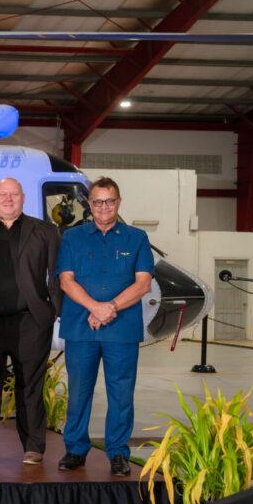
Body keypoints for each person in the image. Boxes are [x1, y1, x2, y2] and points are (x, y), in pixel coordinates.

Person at [55, 177, 154, 477]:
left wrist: (109, 308)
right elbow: (65, 280)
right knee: (79, 392)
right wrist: (95, 307)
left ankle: (118, 453)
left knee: (121, 393)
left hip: (121, 330)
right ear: (90, 204)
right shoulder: (72, 238)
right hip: (81, 329)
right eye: (97, 202)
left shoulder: (137, 238)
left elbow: (143, 283)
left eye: (109, 201)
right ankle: (75, 449)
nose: (103, 207)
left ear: (118, 202)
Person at [0, 177, 62, 465]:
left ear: (23, 197)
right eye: (3, 194)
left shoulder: (45, 231)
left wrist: (52, 312)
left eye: (14, 194)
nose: (9, 199)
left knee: (31, 386)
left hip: (30, 321)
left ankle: (33, 447)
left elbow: (56, 275)